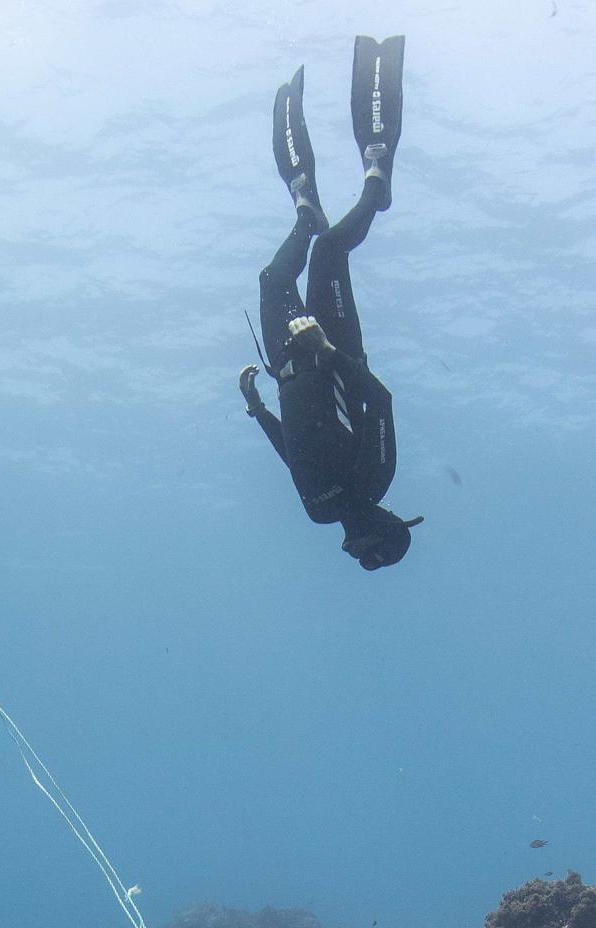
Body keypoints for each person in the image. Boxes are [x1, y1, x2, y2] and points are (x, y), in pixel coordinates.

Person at [240, 36, 423, 571]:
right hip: (332, 347)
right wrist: (329, 349)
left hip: (289, 366)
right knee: (327, 255)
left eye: (355, 557)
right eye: (367, 551)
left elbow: (293, 457)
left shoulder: (319, 514)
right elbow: (381, 402)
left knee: (274, 278)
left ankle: (305, 211)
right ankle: (376, 184)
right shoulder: (375, 477)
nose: (349, 546)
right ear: (383, 531)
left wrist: (258, 412)